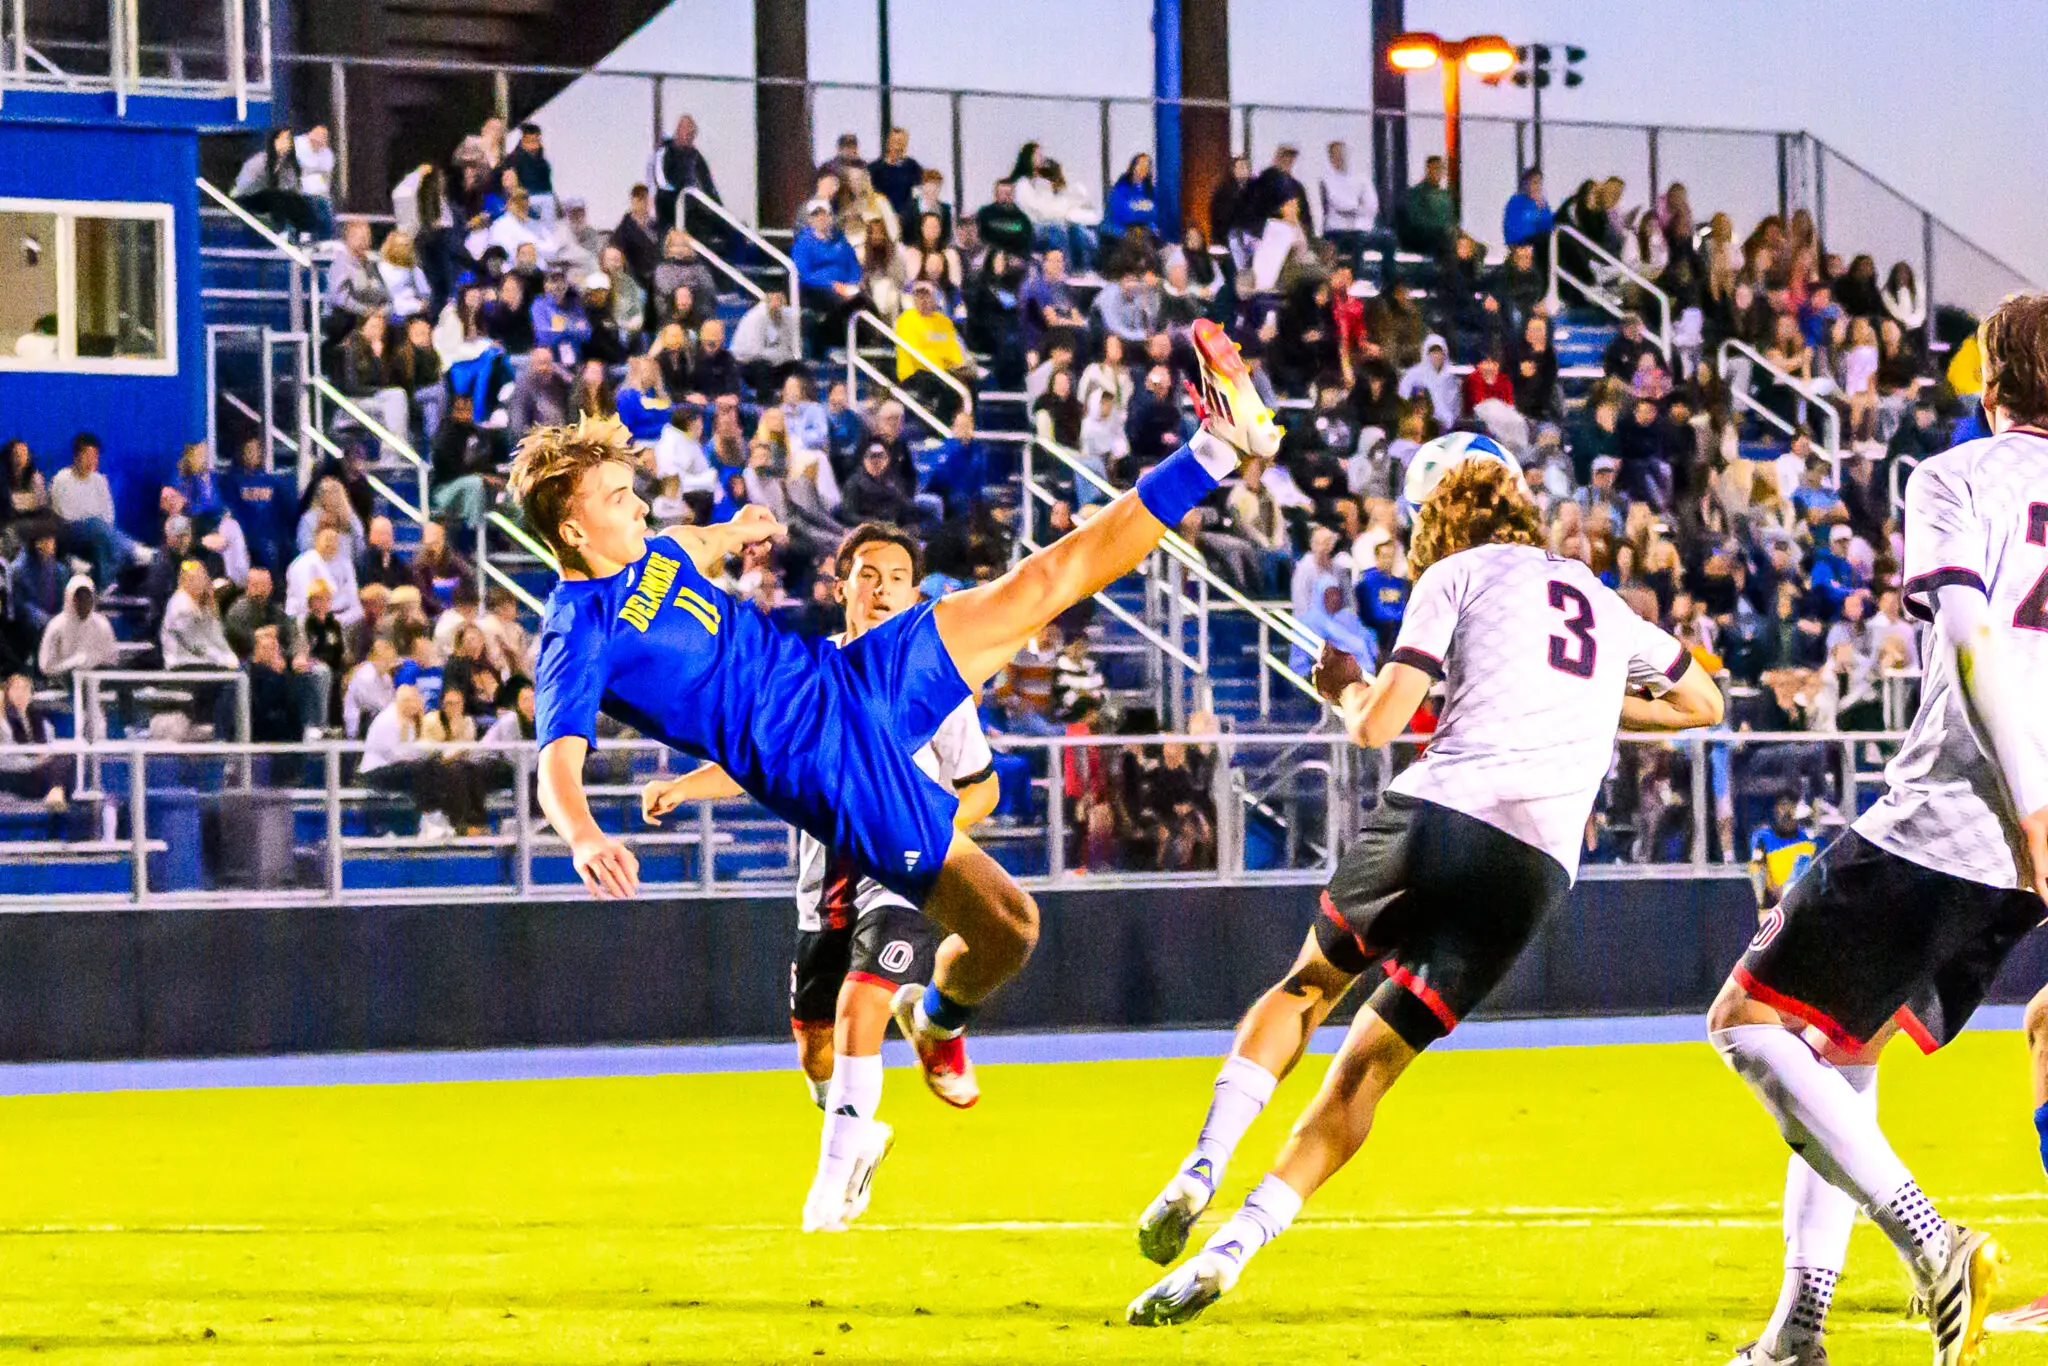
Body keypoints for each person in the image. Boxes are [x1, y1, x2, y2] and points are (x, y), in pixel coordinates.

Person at [517, 319, 1278, 1104]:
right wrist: (582, 833)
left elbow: (695, 544)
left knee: (1038, 585)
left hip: (851, 678)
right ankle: (921, 1041)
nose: (636, 502)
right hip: (826, 767)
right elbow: (556, 762)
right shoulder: (577, 631)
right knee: (999, 933)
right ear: (574, 531)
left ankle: (1214, 449)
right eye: (617, 497)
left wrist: (737, 531)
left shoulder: (656, 552)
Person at [1127, 446, 1723, 1326]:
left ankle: (1202, 1167)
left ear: (1434, 519)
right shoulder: (1602, 604)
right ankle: (1234, 1247)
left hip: (1442, 817)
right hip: (1535, 869)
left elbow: (1376, 723)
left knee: (1306, 989)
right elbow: (1702, 705)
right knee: (1365, 1073)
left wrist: (1343, 687)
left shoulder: (1456, 574)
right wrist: (1598, 705)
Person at [1706, 294, 2048, 1366]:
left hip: (1957, 815)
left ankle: (1932, 1241)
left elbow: (1973, 640)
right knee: (1832, 1045)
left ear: (1987, 385)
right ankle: (1796, 1330)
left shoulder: (1952, 476)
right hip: (2016, 854)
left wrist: (2033, 808)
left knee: (1745, 1023)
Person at [641, 524, 1001, 1229]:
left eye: (897, 576)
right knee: (814, 1049)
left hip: (902, 877)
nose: (881, 587)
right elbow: (755, 762)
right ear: (842, 588)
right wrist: (687, 787)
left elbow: (982, 787)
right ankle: (858, 1136)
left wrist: (927, 828)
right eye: (867, 573)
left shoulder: (938, 682)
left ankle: (827, 1193)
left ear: (915, 594)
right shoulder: (808, 677)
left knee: (862, 1006)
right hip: (821, 887)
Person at [49, 434, 147, 590]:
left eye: (95, 456)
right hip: (70, 533)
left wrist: (101, 529)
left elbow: (109, 516)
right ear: (76, 456)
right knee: (97, 526)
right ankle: (132, 549)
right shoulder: (62, 479)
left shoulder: (99, 481)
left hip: (98, 535)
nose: (92, 461)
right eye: (87, 456)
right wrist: (94, 523)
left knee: (103, 537)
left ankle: (102, 585)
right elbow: (65, 515)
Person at [894, 281, 977, 423]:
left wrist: (959, 367)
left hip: (942, 371)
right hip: (916, 372)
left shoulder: (944, 322)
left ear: (935, 299)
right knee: (947, 389)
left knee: (971, 385)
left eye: (927, 296)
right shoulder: (906, 320)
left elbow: (954, 353)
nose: (923, 300)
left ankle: (966, 427)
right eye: (918, 296)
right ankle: (940, 431)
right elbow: (916, 355)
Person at [37, 573, 116, 687]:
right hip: (61, 686)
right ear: (70, 598)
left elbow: (111, 659)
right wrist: (72, 664)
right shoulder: (56, 626)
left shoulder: (102, 625)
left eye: (87, 598)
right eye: (79, 598)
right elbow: (45, 666)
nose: (84, 603)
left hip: (98, 686)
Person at [1748, 792, 1818, 914]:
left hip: (1802, 905)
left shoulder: (1808, 840)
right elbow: (1757, 869)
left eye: (1791, 806)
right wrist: (1765, 902)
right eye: (1783, 805)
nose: (1787, 811)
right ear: (1775, 809)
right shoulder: (1762, 837)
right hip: (1772, 906)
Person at [650, 114, 719, 234]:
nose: (689, 137)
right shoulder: (664, 151)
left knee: (721, 228)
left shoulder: (695, 156)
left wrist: (718, 207)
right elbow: (662, 182)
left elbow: (708, 184)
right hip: (669, 209)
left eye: (692, 134)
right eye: (686, 131)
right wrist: (682, 192)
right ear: (678, 131)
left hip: (692, 209)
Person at [1317, 140, 1379, 266]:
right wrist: (1360, 206)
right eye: (1336, 154)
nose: (1340, 157)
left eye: (1342, 153)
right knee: (1357, 242)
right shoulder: (1326, 179)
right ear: (1330, 158)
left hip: (1361, 228)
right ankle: (1353, 279)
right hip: (1336, 230)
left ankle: (1389, 284)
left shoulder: (1361, 178)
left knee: (1388, 239)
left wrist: (1354, 209)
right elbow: (1340, 205)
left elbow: (1372, 205)